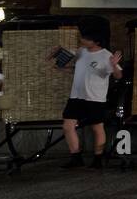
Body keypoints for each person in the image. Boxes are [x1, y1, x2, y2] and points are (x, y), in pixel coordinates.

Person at [49, 24, 123, 169]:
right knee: (67, 126)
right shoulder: (81, 51)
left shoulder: (106, 55)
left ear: (97, 41)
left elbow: (118, 75)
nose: (82, 40)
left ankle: (97, 159)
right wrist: (61, 67)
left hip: (95, 98)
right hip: (76, 96)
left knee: (97, 127)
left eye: (86, 38)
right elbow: (78, 69)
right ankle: (76, 157)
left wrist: (114, 65)